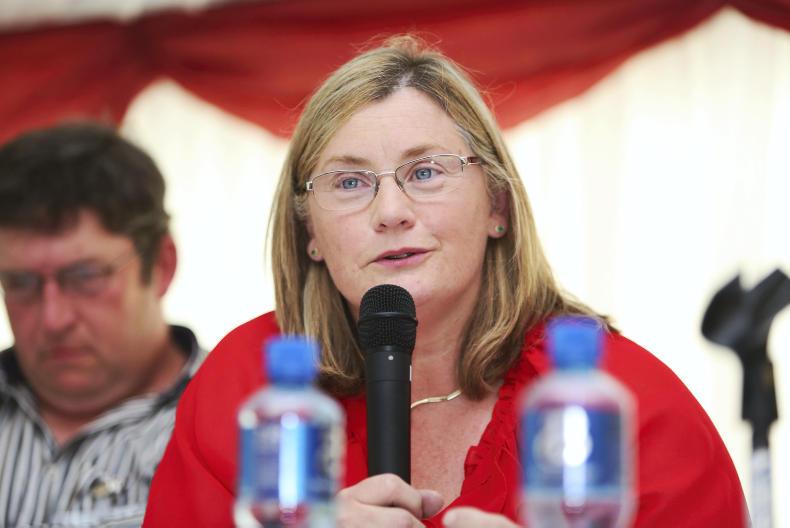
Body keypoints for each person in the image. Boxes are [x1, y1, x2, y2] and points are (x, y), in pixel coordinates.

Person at [143, 36, 746, 527]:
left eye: (426, 171)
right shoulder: (245, 387)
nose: (390, 211)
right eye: (349, 182)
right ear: (310, 233)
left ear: (497, 206)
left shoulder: (624, 400)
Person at [0, 122, 204, 527]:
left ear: (161, 265)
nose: (54, 319)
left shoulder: (240, 424)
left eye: (85, 277)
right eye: (21, 283)